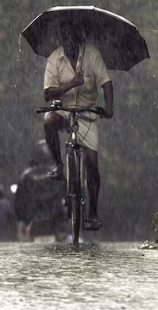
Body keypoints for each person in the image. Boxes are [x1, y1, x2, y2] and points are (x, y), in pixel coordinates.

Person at [43, 25, 113, 230]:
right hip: (64, 110)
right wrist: (71, 84)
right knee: (48, 120)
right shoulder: (55, 59)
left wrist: (109, 108)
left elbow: (106, 83)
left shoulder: (92, 55)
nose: (68, 44)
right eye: (65, 40)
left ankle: (92, 212)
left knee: (91, 161)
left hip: (87, 113)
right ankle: (59, 165)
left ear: (79, 39)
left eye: (72, 40)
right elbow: (48, 94)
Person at [14, 140, 67, 242]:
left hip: (32, 220)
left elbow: (18, 204)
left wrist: (23, 219)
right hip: (56, 221)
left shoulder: (25, 176)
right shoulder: (60, 174)